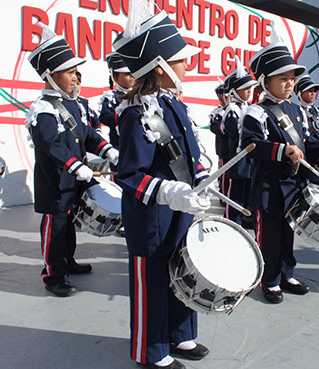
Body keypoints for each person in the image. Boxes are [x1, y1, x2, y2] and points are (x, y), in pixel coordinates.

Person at [112, 5, 210, 368]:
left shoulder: (175, 105)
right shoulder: (134, 115)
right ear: (160, 68)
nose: (186, 66)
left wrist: (200, 178)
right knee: (151, 280)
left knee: (181, 270)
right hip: (150, 215)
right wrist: (170, 191)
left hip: (179, 211)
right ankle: (150, 351)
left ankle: (180, 335)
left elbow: (191, 154)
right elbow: (129, 174)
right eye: (180, 60)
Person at [241, 30, 319, 304]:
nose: (289, 83)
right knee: (269, 237)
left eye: (292, 78)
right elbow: (250, 146)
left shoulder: (298, 111)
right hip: (269, 188)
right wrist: (282, 150)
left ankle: (286, 273)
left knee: (287, 232)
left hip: (293, 187)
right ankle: (268, 280)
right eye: (282, 78)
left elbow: (311, 142)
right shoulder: (255, 112)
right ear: (264, 82)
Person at [25, 23, 119, 297]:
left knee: (69, 225)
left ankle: (68, 261)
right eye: (69, 73)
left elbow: (88, 134)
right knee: (55, 227)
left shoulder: (75, 104)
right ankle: (52, 274)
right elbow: (50, 144)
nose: (75, 78)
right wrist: (75, 165)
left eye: (76, 73)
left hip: (74, 179)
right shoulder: (42, 109)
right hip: (56, 181)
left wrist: (107, 149)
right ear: (49, 76)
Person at [222, 56, 256, 228]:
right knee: (234, 193)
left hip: (248, 159)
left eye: (250, 88)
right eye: (245, 88)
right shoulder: (232, 110)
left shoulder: (248, 108)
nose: (249, 91)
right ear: (234, 91)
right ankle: (231, 220)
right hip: (237, 159)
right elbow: (236, 134)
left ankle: (245, 218)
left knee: (247, 191)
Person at [99, 52, 134, 150]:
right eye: (127, 74)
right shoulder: (111, 97)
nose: (132, 77)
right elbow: (104, 116)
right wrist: (122, 118)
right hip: (119, 144)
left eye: (133, 73)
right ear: (115, 77)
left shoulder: (139, 95)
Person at [209, 80, 229, 196]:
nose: (224, 97)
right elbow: (216, 128)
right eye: (221, 94)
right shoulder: (217, 112)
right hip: (223, 148)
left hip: (235, 149)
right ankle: (223, 197)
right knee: (223, 174)